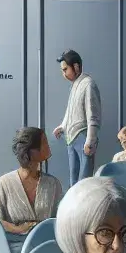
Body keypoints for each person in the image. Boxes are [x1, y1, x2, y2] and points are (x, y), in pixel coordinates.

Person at [0, 126, 64, 253]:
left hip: (45, 246)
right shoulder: (4, 183)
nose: (48, 146)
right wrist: (17, 229)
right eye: (44, 142)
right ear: (31, 151)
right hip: (13, 249)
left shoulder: (53, 184)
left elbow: (61, 219)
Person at [50, 50, 100, 186]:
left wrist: (90, 140)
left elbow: (93, 114)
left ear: (76, 67)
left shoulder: (88, 84)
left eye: (65, 69)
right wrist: (63, 126)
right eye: (62, 70)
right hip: (71, 138)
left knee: (84, 181)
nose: (64, 74)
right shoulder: (74, 85)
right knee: (73, 180)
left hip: (83, 136)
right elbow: (71, 110)